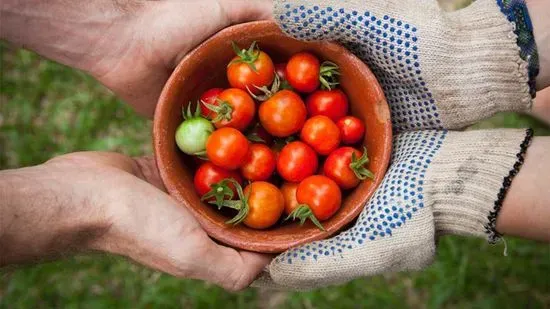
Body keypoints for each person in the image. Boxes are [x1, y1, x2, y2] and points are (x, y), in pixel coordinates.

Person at [0, 0, 548, 292]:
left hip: (312, 146)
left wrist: (478, 50)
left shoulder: (262, 119)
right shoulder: (259, 140)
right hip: (309, 155)